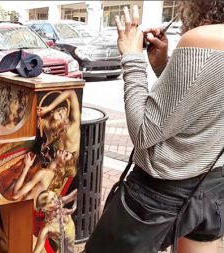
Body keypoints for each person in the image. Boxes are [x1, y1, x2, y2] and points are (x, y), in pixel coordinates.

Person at [86, 2, 224, 253]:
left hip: (161, 190)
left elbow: (144, 131)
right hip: (213, 185)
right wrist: (163, 66)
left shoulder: (203, 38)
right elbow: (205, 104)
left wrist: (131, 57)